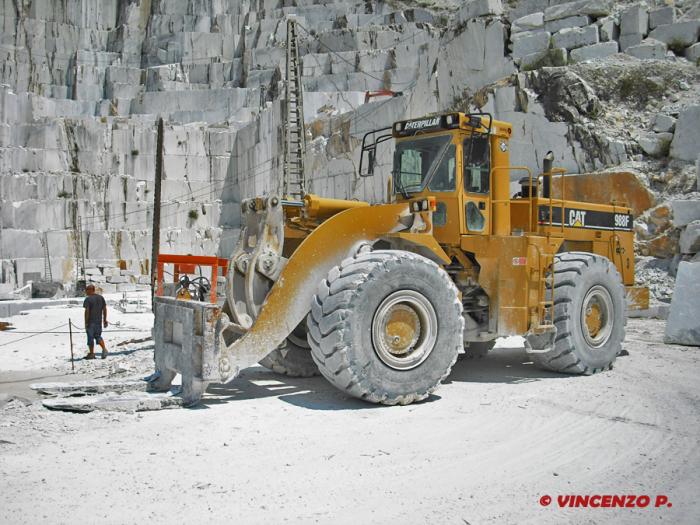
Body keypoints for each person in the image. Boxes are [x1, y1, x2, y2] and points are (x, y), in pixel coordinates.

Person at [83, 284, 109, 359]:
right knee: (98, 336)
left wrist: (86, 322)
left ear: (91, 290)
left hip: (91, 322)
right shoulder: (101, 298)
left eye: (87, 290)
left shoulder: (88, 299)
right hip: (99, 321)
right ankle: (104, 349)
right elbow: (104, 309)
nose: (86, 292)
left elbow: (87, 311)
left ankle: (91, 353)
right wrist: (104, 320)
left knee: (90, 337)